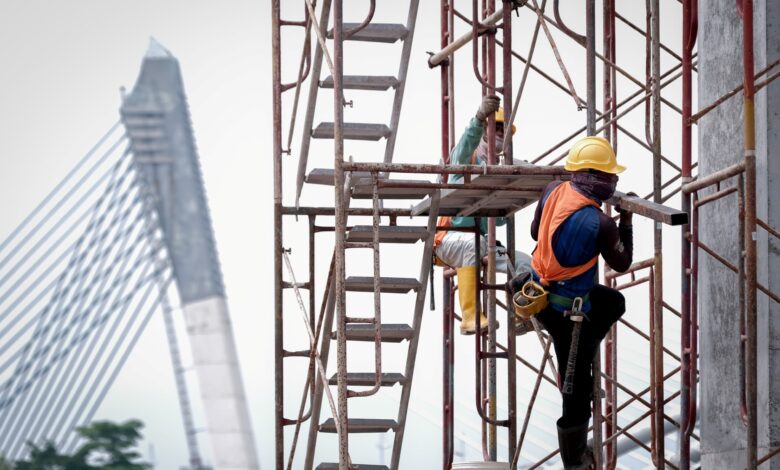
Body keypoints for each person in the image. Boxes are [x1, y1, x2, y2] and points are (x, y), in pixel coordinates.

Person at [528, 136, 633, 469]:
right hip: (568, 314)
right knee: (576, 390)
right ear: (595, 176)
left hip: (539, 295)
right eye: (610, 175)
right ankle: (574, 460)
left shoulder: (553, 190)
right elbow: (622, 263)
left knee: (613, 302)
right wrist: (626, 222)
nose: (613, 181)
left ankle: (585, 346)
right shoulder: (600, 223)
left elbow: (535, 232)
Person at [434, 94, 532, 335]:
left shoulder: (499, 170)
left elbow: (498, 219)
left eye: (503, 131)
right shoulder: (467, 156)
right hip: (448, 240)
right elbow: (465, 144)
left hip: (481, 244)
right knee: (474, 243)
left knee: (525, 263)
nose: (499, 134)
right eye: (495, 127)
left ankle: (521, 314)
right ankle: (470, 317)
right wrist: (479, 119)